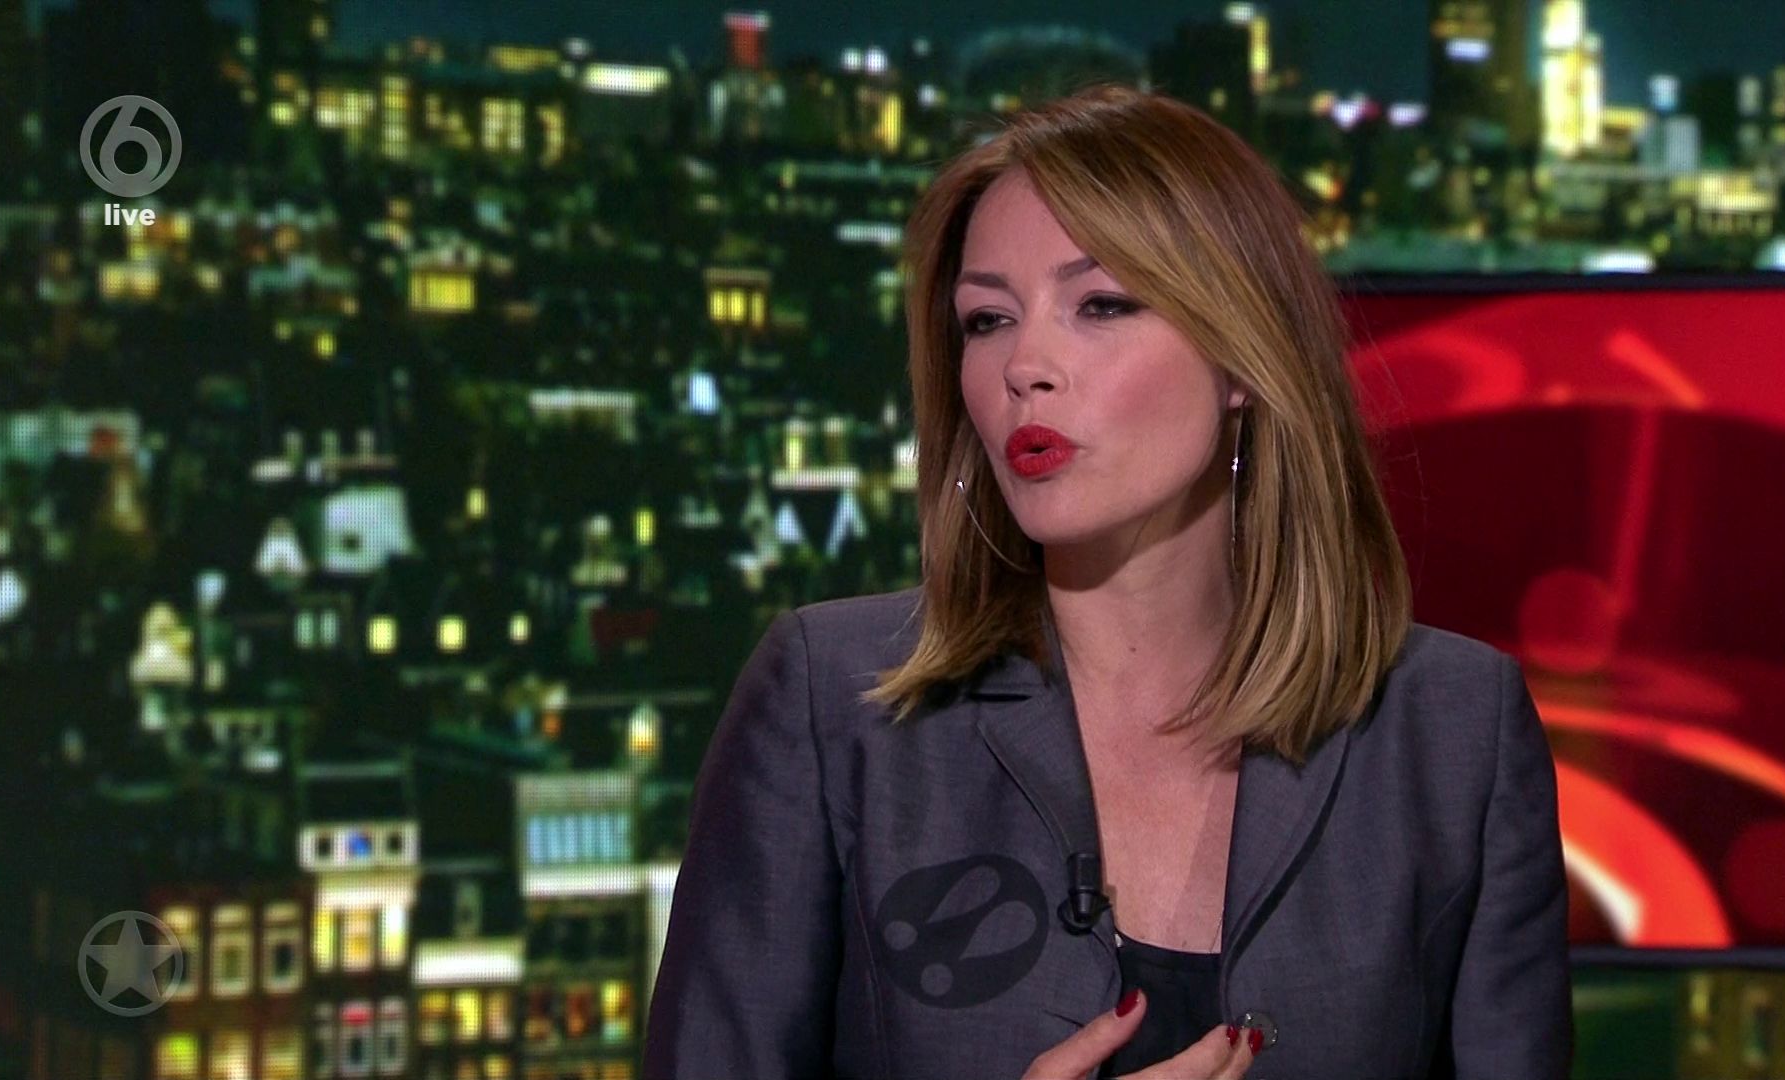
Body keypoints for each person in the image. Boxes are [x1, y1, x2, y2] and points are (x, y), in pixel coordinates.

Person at [642, 83, 1571, 1079]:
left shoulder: (1457, 736)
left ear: (1241, 356)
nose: (1025, 366)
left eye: (1101, 305)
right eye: (987, 319)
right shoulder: (832, 706)